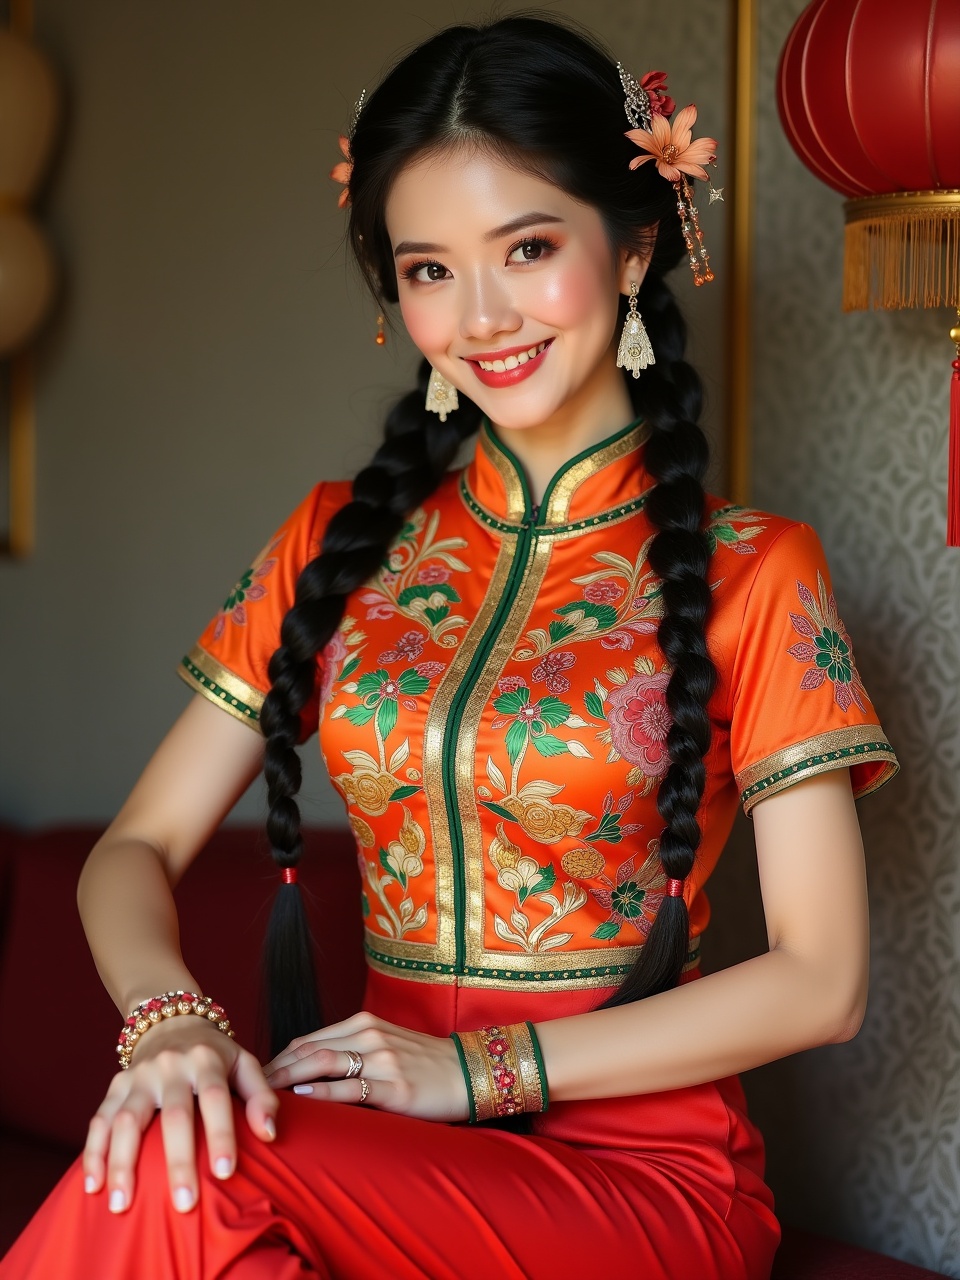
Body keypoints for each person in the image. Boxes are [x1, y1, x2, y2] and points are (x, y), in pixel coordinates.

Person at [0, 15, 899, 1280]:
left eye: (528, 248)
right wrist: (171, 1022)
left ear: (634, 246)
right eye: (429, 268)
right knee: (199, 1186)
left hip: (640, 1184)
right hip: (379, 1148)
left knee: (183, 1162)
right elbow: (133, 849)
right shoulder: (335, 542)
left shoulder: (757, 566)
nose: (481, 315)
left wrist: (481, 1068)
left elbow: (823, 978)